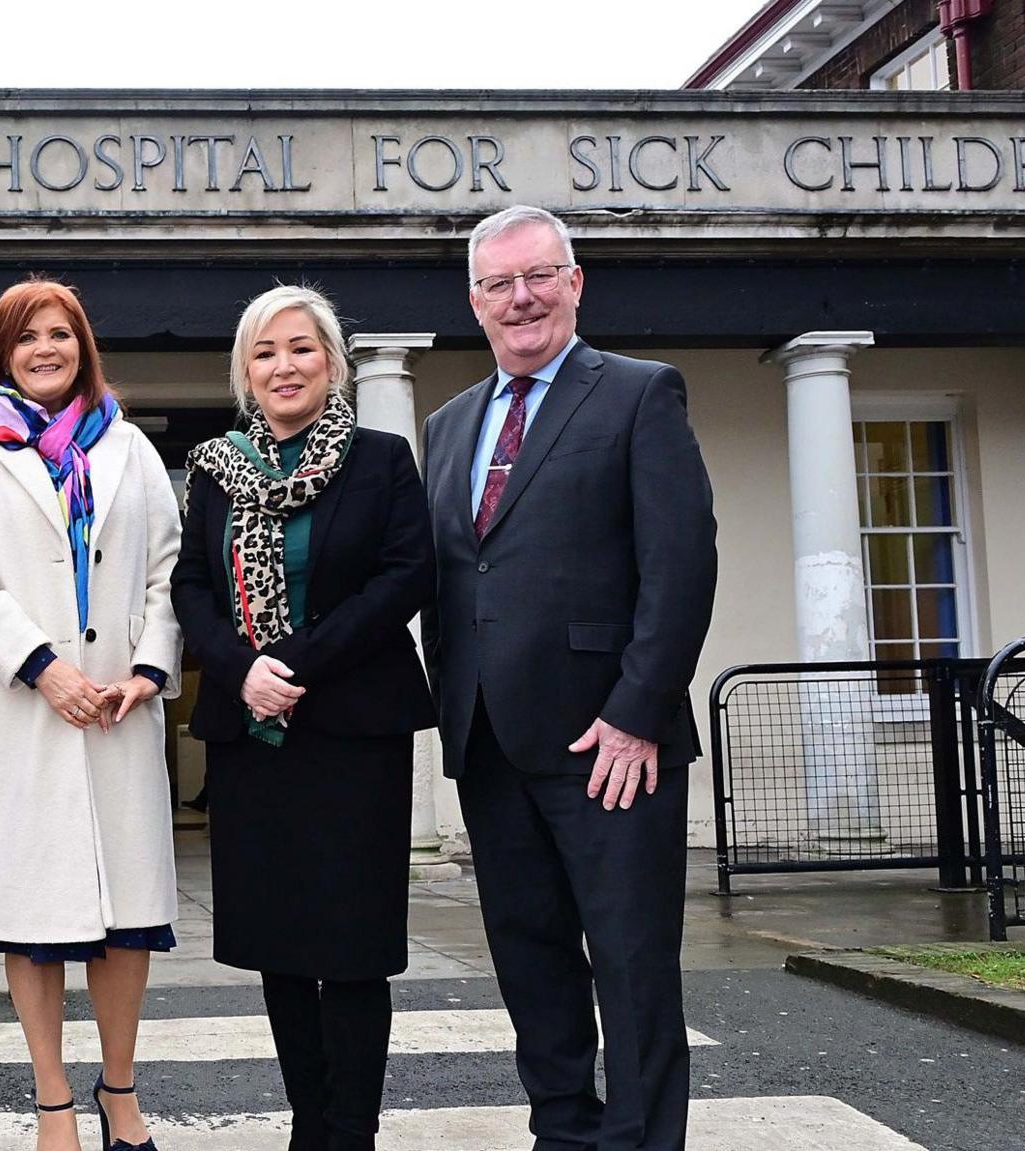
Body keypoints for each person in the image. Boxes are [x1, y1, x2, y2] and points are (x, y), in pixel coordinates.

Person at [420, 205, 717, 1151]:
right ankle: (563, 1128)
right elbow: (452, 574)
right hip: (490, 739)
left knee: (631, 964)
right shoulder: (448, 424)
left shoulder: (637, 394)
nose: (522, 298)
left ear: (575, 282)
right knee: (530, 954)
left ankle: (637, 1139)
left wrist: (637, 713)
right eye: (499, 284)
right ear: (475, 302)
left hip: (608, 745)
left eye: (539, 276)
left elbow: (682, 566)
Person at [170, 285, 434, 1151]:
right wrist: (244, 671)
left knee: (352, 946)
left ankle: (351, 1130)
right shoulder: (213, 470)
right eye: (264, 352)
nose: (283, 365)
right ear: (245, 371)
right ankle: (308, 1124)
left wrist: (297, 665)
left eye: (301, 348)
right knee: (281, 944)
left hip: (354, 732)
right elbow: (192, 591)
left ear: (334, 363)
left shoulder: (383, 458)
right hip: (255, 740)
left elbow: (404, 576)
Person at [0, 278, 182, 1151]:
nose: (46, 349)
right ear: (0, 353)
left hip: (117, 710)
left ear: (84, 347)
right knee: (34, 923)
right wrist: (42, 667)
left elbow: (166, 571)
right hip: (26, 715)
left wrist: (149, 670)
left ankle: (120, 1094)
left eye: (61, 334)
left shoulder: (131, 450)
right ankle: (52, 1103)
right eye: (27, 337)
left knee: (126, 920)